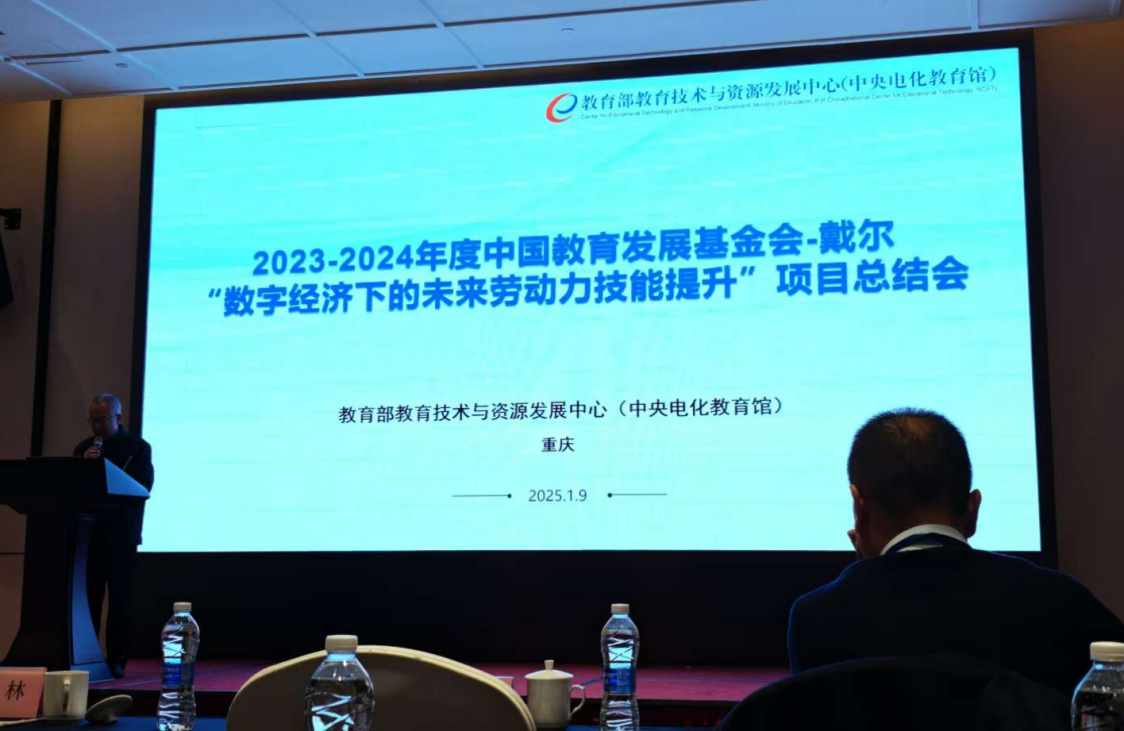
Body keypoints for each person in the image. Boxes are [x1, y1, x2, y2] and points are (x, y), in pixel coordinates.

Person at [787, 408, 1124, 696]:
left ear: (858, 509)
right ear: (973, 508)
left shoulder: (816, 619)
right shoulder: (1063, 601)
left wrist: (866, 573)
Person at [73, 393, 154, 678]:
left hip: (122, 536)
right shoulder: (83, 448)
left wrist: (107, 469)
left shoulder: (137, 447)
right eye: (93, 420)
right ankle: (87, 656)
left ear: (118, 417)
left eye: (103, 420)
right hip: (90, 536)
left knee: (120, 600)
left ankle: (117, 658)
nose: (97, 426)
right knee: (89, 600)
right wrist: (83, 467)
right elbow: (72, 489)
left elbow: (144, 487)